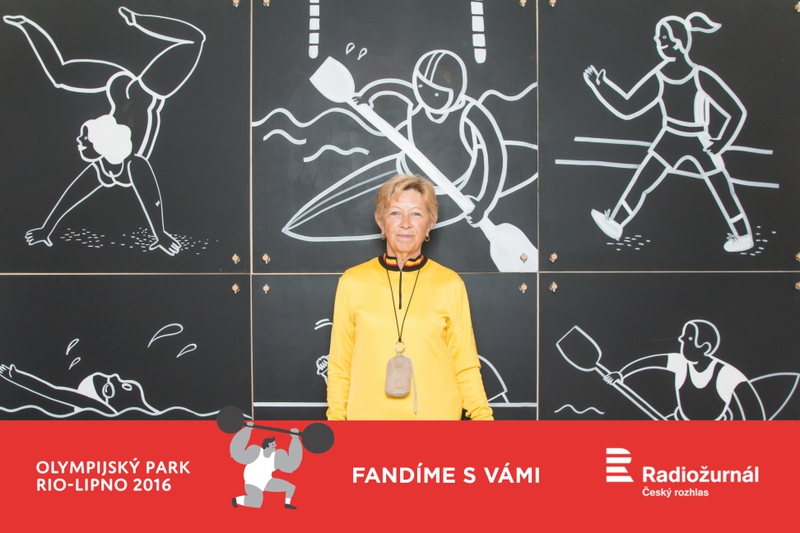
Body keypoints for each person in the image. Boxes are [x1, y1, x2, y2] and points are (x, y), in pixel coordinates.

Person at [5, 7, 205, 255]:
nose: (79, 142)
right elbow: (149, 197)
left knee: (195, 40)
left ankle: (136, 19)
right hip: (137, 92)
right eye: (85, 139)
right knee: (195, 40)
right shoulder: (131, 164)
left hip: (132, 91)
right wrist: (160, 234)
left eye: (83, 139)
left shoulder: (115, 164)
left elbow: (75, 194)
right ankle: (26, 23)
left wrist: (47, 229)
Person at [326, 173, 493, 420]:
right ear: (381, 221)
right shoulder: (352, 281)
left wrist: (484, 420)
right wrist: (336, 424)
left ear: (430, 223)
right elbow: (340, 365)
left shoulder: (450, 283)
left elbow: (465, 365)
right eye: (395, 213)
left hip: (436, 427)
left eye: (416, 214)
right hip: (367, 427)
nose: (405, 223)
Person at [584, 12, 754, 252]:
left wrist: (721, 142)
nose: (658, 42)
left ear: (678, 41)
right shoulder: (660, 76)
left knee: (722, 188)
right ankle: (616, 223)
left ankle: (744, 236)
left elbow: (735, 112)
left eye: (663, 37)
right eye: (658, 38)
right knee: (642, 181)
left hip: (699, 138)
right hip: (671, 136)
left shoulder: (700, 76)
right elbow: (628, 107)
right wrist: (601, 86)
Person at [603, 320, 765, 420]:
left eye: (689, 339)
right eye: (684, 338)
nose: (682, 341)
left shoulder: (726, 374)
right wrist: (621, 373)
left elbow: (753, 408)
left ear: (705, 347)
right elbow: (651, 361)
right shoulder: (680, 362)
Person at [230, 425, 302, 510]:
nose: (275, 445)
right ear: (267, 445)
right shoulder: (256, 452)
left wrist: (295, 438)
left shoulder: (276, 457)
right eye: (273, 444)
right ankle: (236, 500)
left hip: (266, 481)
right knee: (257, 503)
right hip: (253, 481)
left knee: (290, 487)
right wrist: (247, 430)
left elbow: (291, 464)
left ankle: (287, 504)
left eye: (275, 444)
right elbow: (238, 452)